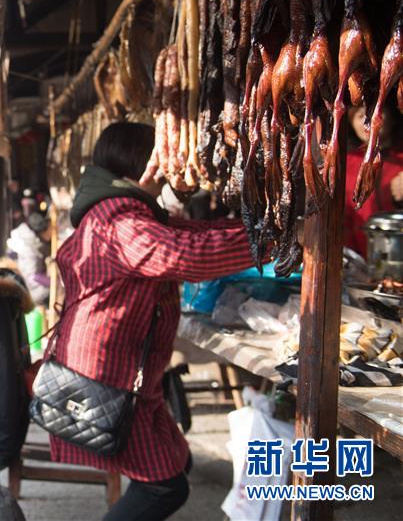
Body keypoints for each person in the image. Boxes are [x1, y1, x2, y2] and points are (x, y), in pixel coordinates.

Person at [50, 122, 257, 521]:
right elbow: (185, 255)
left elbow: (191, 231)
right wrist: (263, 240)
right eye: (162, 155)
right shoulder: (117, 217)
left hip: (128, 374)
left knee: (174, 466)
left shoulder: (127, 209)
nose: (169, 166)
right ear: (142, 162)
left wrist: (265, 230)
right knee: (165, 486)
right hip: (106, 378)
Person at [344, 105, 403, 257]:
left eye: (375, 113)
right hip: (355, 261)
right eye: (360, 116)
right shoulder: (345, 163)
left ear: (392, 116)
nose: (368, 121)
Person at [6, 212, 52, 308]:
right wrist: (53, 282)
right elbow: (33, 276)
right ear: (41, 232)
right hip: (35, 291)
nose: (51, 233)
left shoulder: (27, 241)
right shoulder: (29, 250)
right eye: (49, 230)